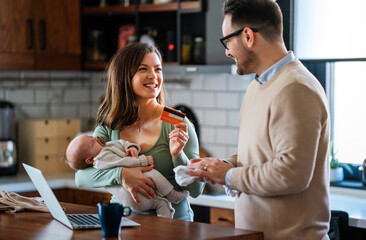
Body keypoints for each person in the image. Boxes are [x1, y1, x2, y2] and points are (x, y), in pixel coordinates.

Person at [188, 0, 330, 239]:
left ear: (247, 36)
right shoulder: (259, 85)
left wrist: (228, 176)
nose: (227, 51)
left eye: (227, 41)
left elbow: (291, 174)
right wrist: (222, 166)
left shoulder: (296, 87)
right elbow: (261, 156)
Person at [75, 42, 205, 221]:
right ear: (123, 76)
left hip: (172, 227)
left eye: (158, 69)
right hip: (123, 224)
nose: (154, 76)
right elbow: (81, 177)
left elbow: (197, 190)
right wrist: (122, 175)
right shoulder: (110, 123)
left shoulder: (176, 121)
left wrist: (177, 155)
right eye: (143, 69)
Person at [66, 135, 189, 218]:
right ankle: (172, 195)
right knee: (152, 173)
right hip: (131, 198)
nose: (95, 138)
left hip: (130, 205)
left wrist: (131, 147)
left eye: (91, 137)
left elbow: (120, 143)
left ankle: (165, 219)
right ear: (89, 160)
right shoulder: (101, 159)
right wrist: (142, 160)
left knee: (160, 203)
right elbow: (123, 162)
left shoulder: (105, 146)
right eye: (92, 142)